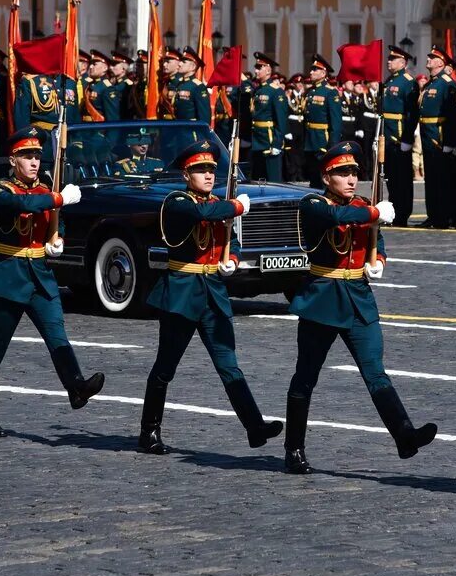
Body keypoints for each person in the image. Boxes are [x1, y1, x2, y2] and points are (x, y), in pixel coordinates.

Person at [284, 142, 437, 474]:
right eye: (342, 173)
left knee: (375, 372)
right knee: (306, 376)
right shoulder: (313, 203)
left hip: (358, 297)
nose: (351, 179)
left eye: (354, 172)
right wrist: (374, 213)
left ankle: (405, 435)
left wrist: (379, 258)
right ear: (326, 177)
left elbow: (375, 238)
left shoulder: (364, 205)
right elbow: (336, 216)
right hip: (323, 298)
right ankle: (294, 448)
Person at [138, 139, 282, 453]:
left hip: (213, 292)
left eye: (211, 170)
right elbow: (202, 214)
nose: (207, 175)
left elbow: (230, 237)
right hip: (182, 291)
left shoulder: (218, 202)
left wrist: (232, 259)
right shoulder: (176, 201)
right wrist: (236, 206)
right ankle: (148, 431)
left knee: (229, 365)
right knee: (166, 365)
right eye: (200, 170)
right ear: (186, 174)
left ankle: (254, 426)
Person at [0, 128, 104, 436]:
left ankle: (76, 387)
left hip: (40, 276)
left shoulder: (45, 189)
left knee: (57, 335)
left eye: (37, 156)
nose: (33, 162)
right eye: (27, 156)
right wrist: (58, 198)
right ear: (12, 159)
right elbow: (21, 207)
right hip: (7, 276)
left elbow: (52, 220)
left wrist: (56, 240)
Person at [417, 47, 456, 228]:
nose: (428, 59)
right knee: (432, 180)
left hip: (439, 137)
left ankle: (443, 217)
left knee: (443, 180)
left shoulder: (446, 83)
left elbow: (452, 115)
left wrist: (450, 142)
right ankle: (433, 215)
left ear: (441, 63)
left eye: (433, 57)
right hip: (428, 136)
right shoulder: (432, 83)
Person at [381, 46, 419, 226]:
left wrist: (407, 138)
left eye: (393, 59)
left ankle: (403, 213)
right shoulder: (390, 80)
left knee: (402, 178)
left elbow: (411, 114)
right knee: (391, 178)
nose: (389, 61)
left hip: (398, 137)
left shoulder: (408, 81)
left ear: (403, 63)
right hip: (387, 136)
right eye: (389, 59)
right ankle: (394, 210)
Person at [301, 56, 344, 189]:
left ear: (324, 73)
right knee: (313, 179)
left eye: (315, 69)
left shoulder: (330, 93)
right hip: (310, 141)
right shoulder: (310, 92)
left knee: (324, 180)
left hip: (322, 142)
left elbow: (336, 123)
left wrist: (332, 147)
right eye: (311, 69)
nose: (311, 72)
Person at [249, 52, 289, 181]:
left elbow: (281, 121)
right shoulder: (258, 90)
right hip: (257, 141)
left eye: (259, 67)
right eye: (256, 67)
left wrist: (277, 144)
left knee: (273, 180)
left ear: (268, 70)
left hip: (269, 141)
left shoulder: (276, 91)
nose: (256, 70)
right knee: (257, 179)